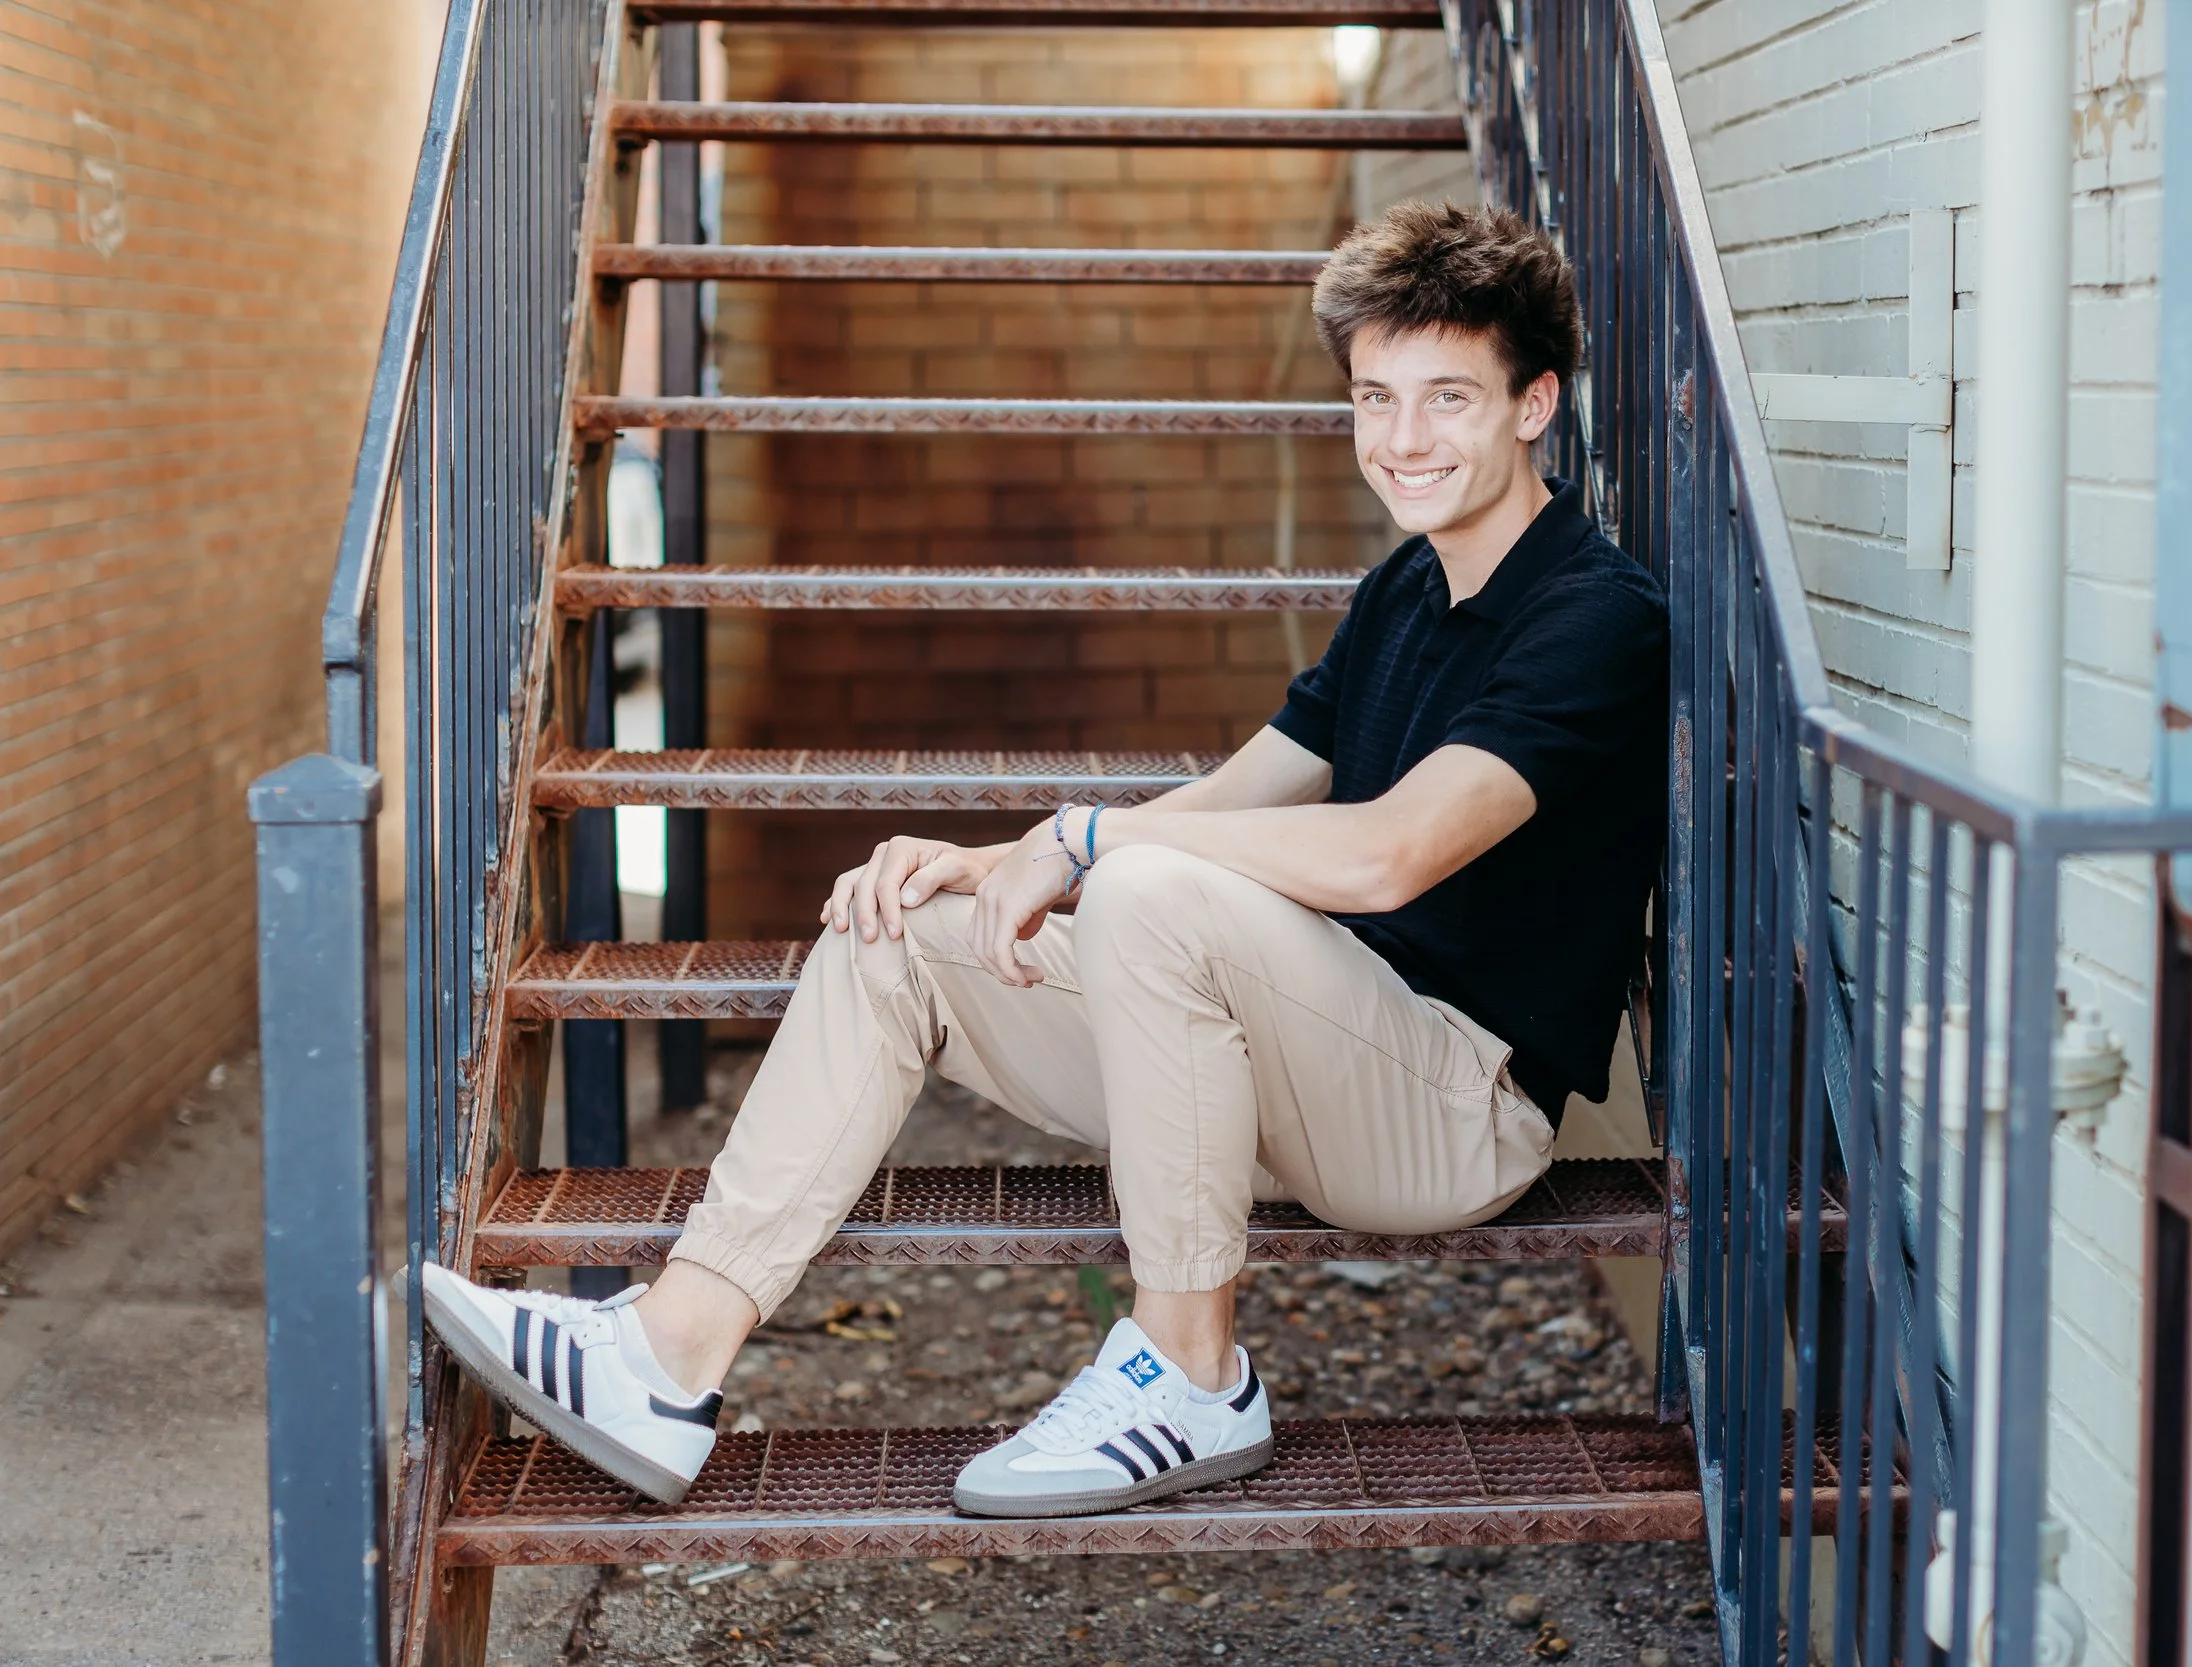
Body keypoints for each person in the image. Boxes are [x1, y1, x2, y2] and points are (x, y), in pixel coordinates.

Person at [417, 201, 1669, 1518]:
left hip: (1454, 1108)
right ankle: (672, 1355)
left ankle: (1190, 1369)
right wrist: (996, 858)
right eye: (1375, 399)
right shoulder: (1406, 592)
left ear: (1536, 404)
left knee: (1148, 885)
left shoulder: (1592, 613)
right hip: (1299, 1061)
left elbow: (1390, 854)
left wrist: (1084, 843)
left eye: (1447, 399)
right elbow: (1236, 797)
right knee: (898, 927)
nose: (1402, 441)